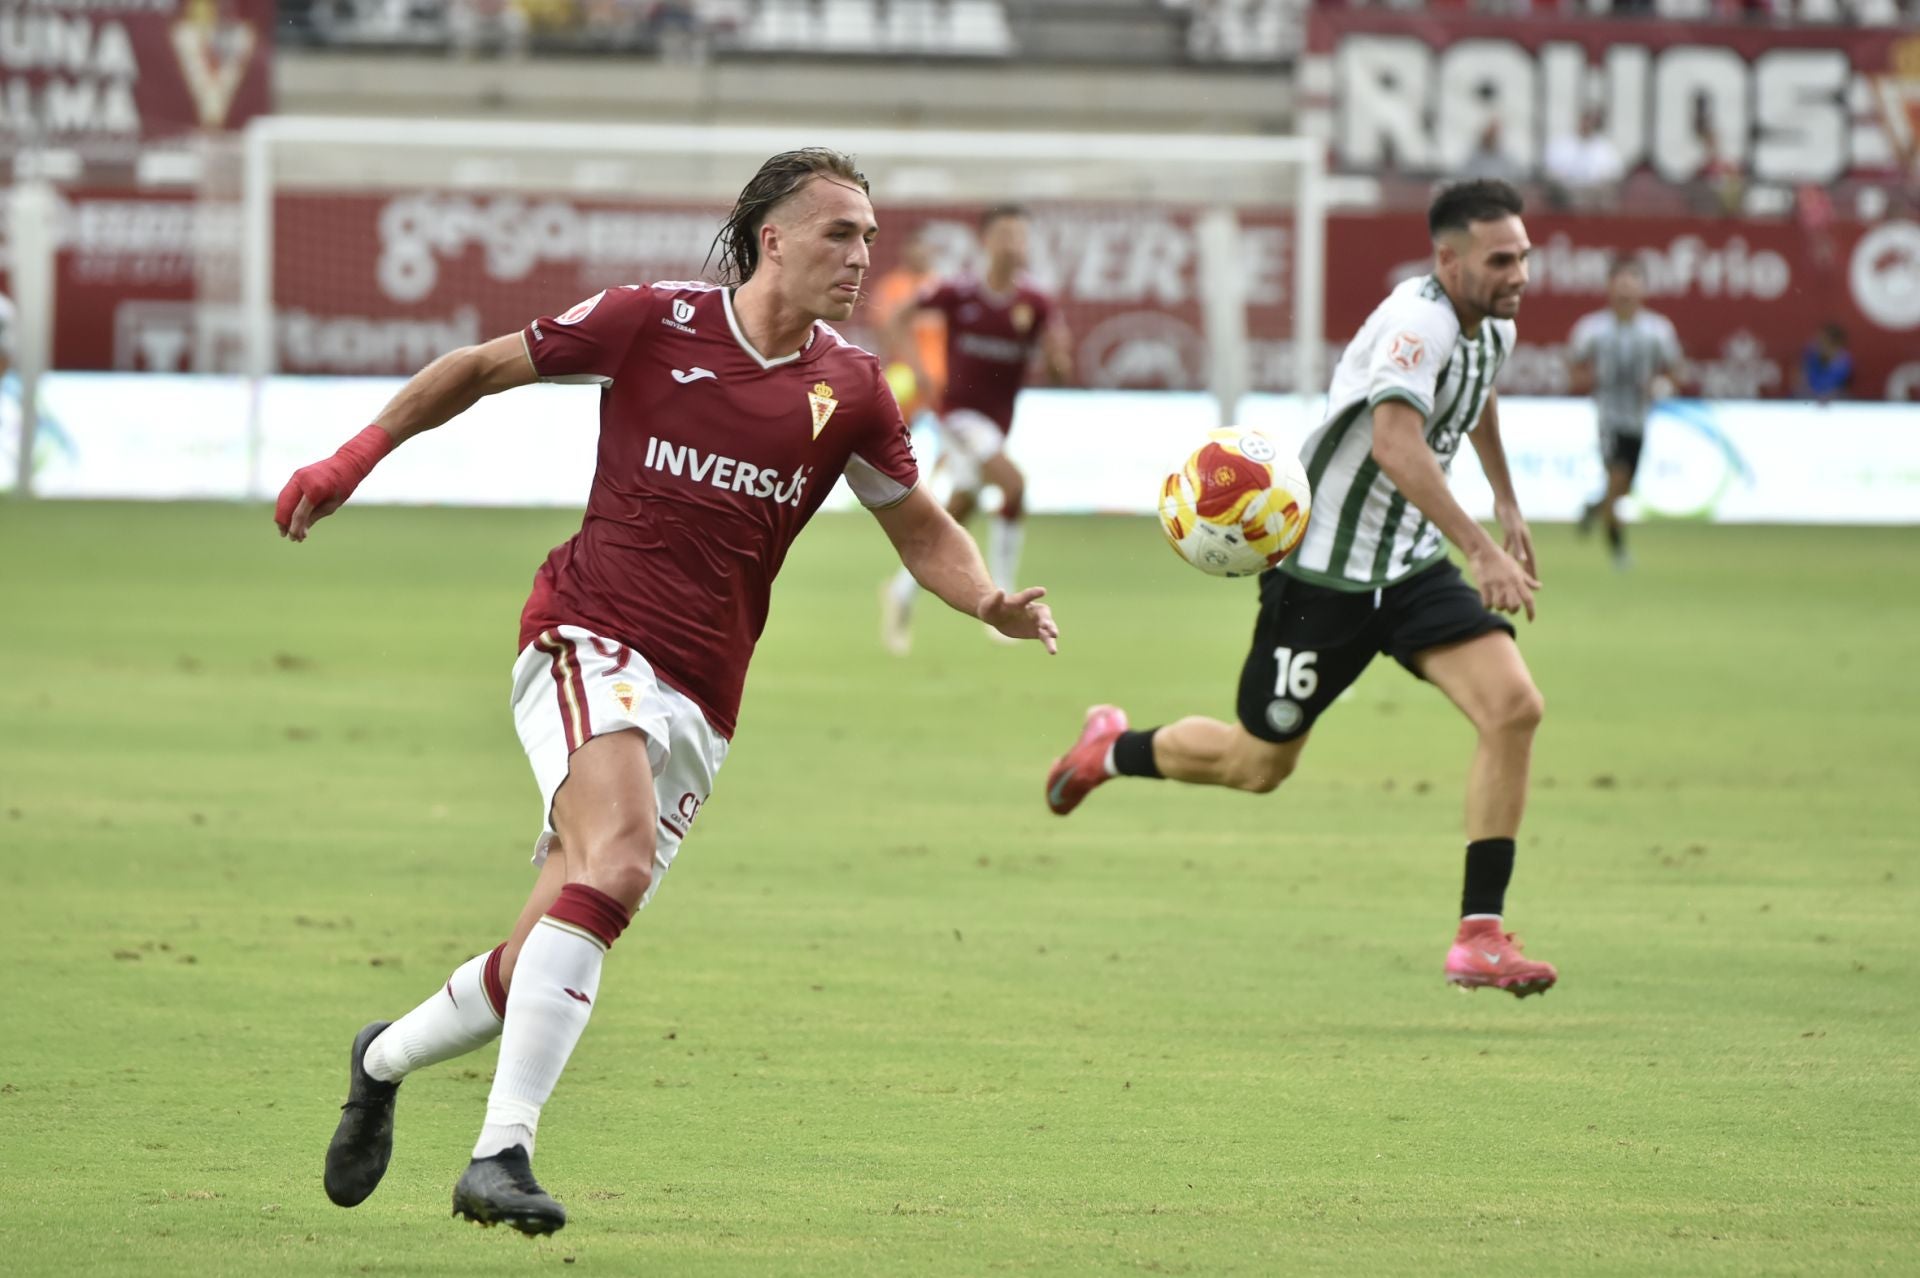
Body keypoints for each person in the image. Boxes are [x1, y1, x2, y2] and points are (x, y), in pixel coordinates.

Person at [278, 148, 1059, 1236]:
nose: (862, 255)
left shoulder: (853, 388)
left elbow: (918, 525)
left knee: (542, 945)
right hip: (585, 632)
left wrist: (986, 601)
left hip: (704, 693)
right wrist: (348, 462)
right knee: (624, 858)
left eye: (871, 236)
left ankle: (383, 1058)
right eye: (841, 233)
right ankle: (500, 1152)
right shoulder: (652, 321)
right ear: (772, 237)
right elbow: (476, 368)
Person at [1043, 179, 1558, 1000]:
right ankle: (1111, 749)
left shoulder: (1491, 319)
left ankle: (1480, 935)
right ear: (1448, 259)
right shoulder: (1417, 322)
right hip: (1324, 578)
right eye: (1502, 259)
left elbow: (1477, 392)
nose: (1521, 272)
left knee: (1514, 707)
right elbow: (1395, 443)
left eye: (1525, 255)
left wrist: (1505, 499)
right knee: (1257, 765)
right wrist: (1481, 548)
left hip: (1413, 565)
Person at [879, 204, 1072, 655]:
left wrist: (1060, 363)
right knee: (1014, 485)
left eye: (1021, 237)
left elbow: (1061, 365)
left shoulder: (1036, 303)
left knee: (959, 508)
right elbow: (898, 317)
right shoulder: (958, 290)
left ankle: (901, 591)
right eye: (1006, 235)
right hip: (957, 415)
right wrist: (917, 367)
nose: (1015, 245)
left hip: (998, 423)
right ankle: (1003, 597)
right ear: (986, 242)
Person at [1570, 258, 1684, 568]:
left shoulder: (1658, 330)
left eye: (1632, 285)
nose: (1625, 292)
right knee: (1617, 477)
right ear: (1610, 289)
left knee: (1623, 487)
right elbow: (1573, 367)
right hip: (1608, 416)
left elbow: (1676, 370)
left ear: (1642, 290)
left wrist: (1662, 385)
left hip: (1639, 417)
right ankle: (1617, 550)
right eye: (1620, 285)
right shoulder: (1593, 329)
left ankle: (1594, 508)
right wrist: (1588, 380)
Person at [866, 224, 946, 422]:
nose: (920, 252)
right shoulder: (891, 286)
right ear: (905, 250)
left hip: (944, 376)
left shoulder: (943, 287)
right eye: (915, 245)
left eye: (924, 246)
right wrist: (917, 369)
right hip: (905, 373)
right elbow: (886, 335)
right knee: (889, 404)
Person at [1798, 322, 1852, 404]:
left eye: (1824, 341)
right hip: (1806, 399)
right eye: (1819, 341)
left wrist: (1827, 397)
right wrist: (1810, 397)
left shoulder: (1845, 362)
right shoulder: (1809, 353)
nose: (1819, 343)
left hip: (1833, 401)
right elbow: (1800, 381)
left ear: (1836, 344)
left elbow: (1840, 388)